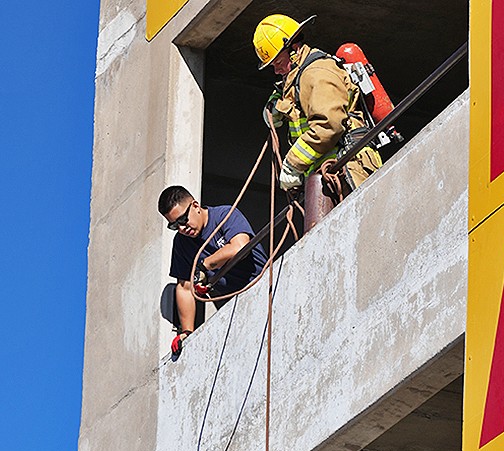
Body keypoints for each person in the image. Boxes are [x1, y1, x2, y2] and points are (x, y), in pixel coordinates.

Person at [253, 14, 381, 198]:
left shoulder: (316, 73)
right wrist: (275, 106)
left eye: (278, 63)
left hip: (349, 170)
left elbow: (329, 125)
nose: (276, 70)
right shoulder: (298, 77)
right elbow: (289, 97)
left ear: (294, 49)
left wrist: (293, 163)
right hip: (330, 176)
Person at [158, 186, 268, 356]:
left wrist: (206, 265)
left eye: (183, 220)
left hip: (265, 286)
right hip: (236, 305)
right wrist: (187, 332)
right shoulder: (181, 243)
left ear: (195, 206)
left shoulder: (224, 215)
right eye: (174, 226)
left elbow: (240, 246)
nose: (181, 229)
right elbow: (184, 287)